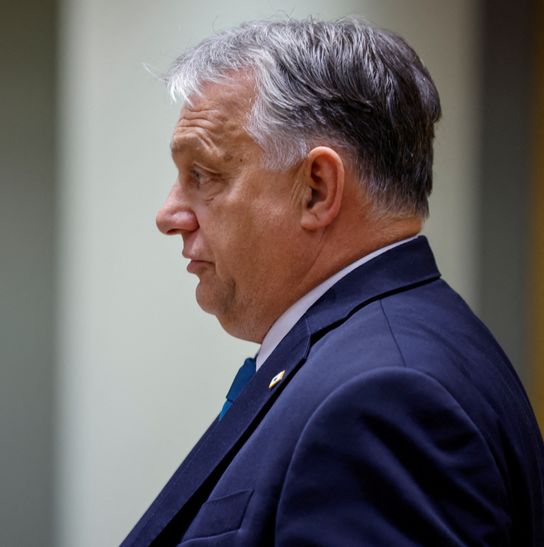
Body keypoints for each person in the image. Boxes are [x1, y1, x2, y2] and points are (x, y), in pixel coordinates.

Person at [121, 17, 544, 546]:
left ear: (317, 189)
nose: (169, 214)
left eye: (203, 174)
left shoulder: (383, 398)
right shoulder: (392, 351)